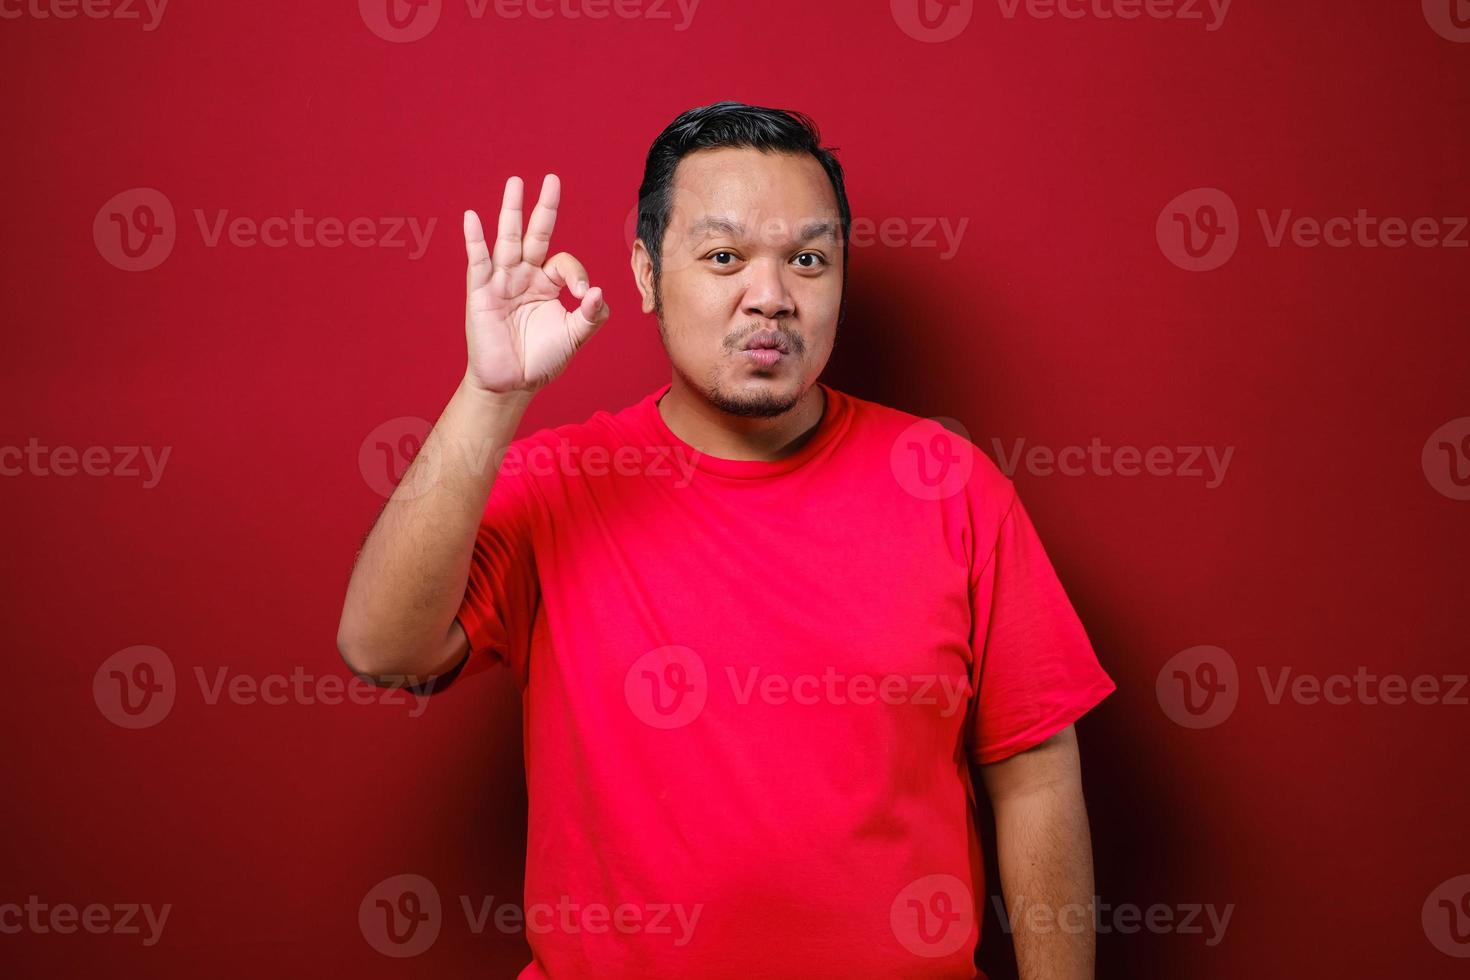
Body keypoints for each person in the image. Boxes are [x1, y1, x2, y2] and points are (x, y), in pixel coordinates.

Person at [337, 100, 1116, 979]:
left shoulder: (951, 484)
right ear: (644, 274)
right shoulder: (561, 485)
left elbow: (1037, 775)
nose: (772, 296)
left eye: (810, 261)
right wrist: (492, 394)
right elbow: (379, 646)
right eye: (723, 257)